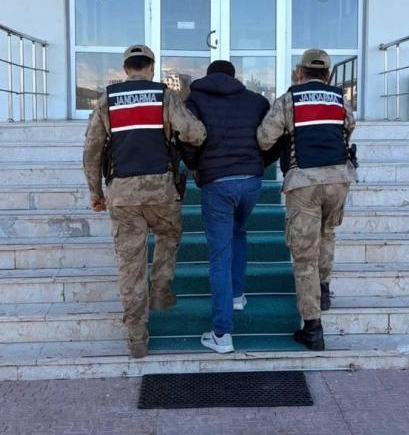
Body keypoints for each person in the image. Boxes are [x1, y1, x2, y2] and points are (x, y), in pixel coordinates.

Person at [83, 44, 206, 359]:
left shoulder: (106, 100)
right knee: (169, 234)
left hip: (122, 194)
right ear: (151, 67)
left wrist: (96, 193)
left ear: (126, 69)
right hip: (161, 191)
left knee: (131, 267)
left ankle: (137, 339)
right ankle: (161, 290)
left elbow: (92, 150)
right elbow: (195, 133)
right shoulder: (164, 96)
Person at [256, 49, 357, 351]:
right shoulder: (340, 99)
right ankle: (323, 288)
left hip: (304, 182)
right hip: (339, 178)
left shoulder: (289, 100)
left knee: (304, 255)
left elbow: (264, 137)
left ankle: (312, 327)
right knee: (328, 233)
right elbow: (348, 128)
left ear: (300, 72)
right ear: (328, 74)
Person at [182, 60, 274, 354]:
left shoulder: (194, 100)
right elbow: (271, 138)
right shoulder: (256, 101)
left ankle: (221, 334)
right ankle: (236, 295)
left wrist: (197, 167)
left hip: (217, 183)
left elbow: (188, 140)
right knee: (239, 232)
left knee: (219, 256)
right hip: (250, 182)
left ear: (208, 77)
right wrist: (258, 165)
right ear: (235, 78)